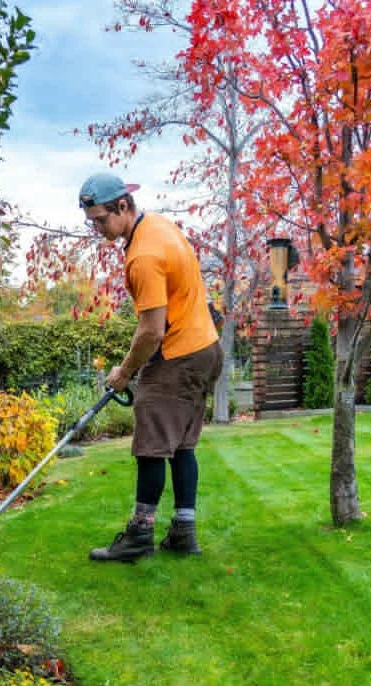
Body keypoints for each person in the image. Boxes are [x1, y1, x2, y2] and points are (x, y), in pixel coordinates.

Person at [78, 172, 223, 562]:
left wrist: (124, 372)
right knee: (181, 446)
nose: (97, 228)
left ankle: (140, 536)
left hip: (179, 353)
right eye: (92, 221)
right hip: (205, 348)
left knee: (151, 447)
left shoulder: (143, 255)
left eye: (101, 219)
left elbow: (150, 331)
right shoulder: (158, 225)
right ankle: (183, 533)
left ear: (122, 206)